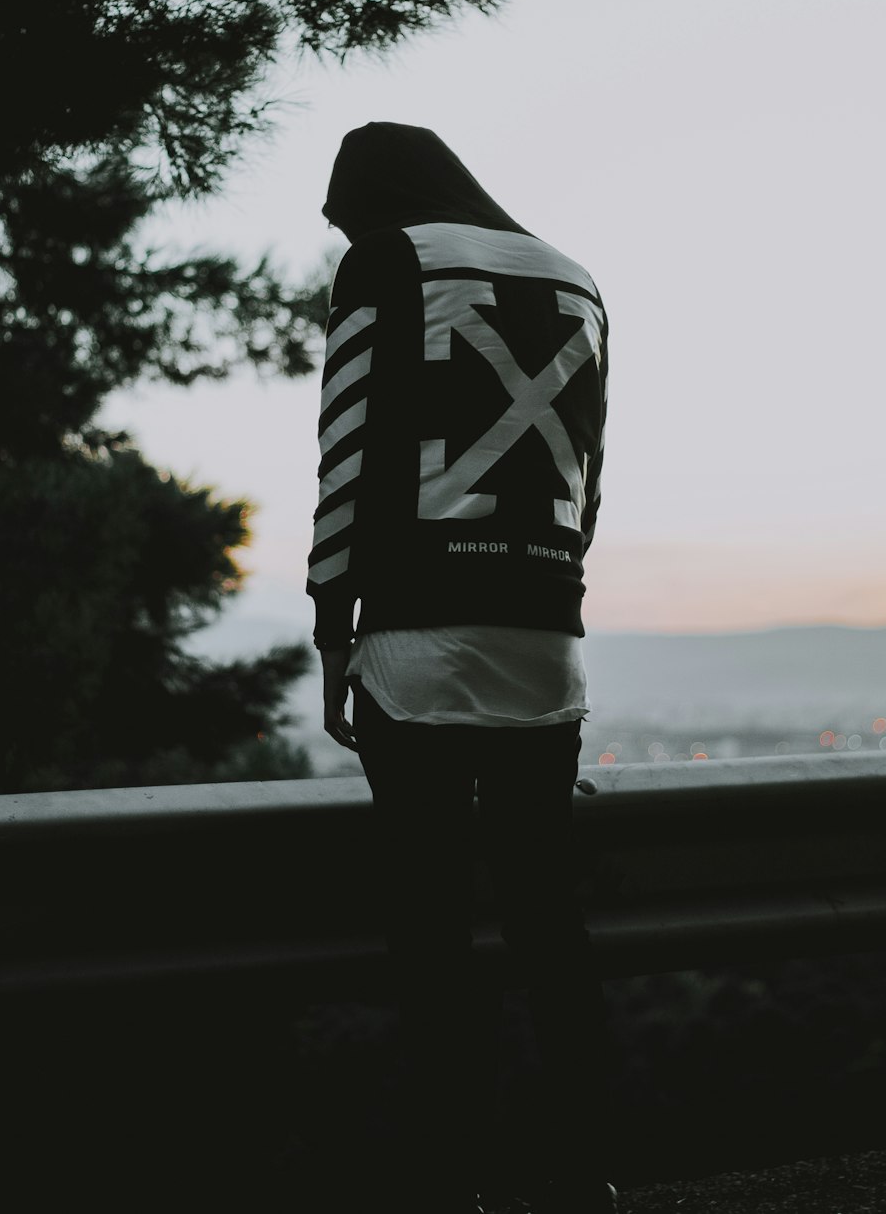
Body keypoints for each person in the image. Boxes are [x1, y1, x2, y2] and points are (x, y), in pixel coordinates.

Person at [306, 123, 616, 1214]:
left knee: (432, 925)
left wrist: (329, 622)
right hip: (545, 640)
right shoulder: (575, 276)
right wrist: (551, 601)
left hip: (418, 636)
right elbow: (588, 470)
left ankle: (459, 1180)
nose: (338, 229)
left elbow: (347, 444)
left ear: (373, 197)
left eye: (341, 211)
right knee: (547, 921)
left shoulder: (387, 261)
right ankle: (587, 1173)